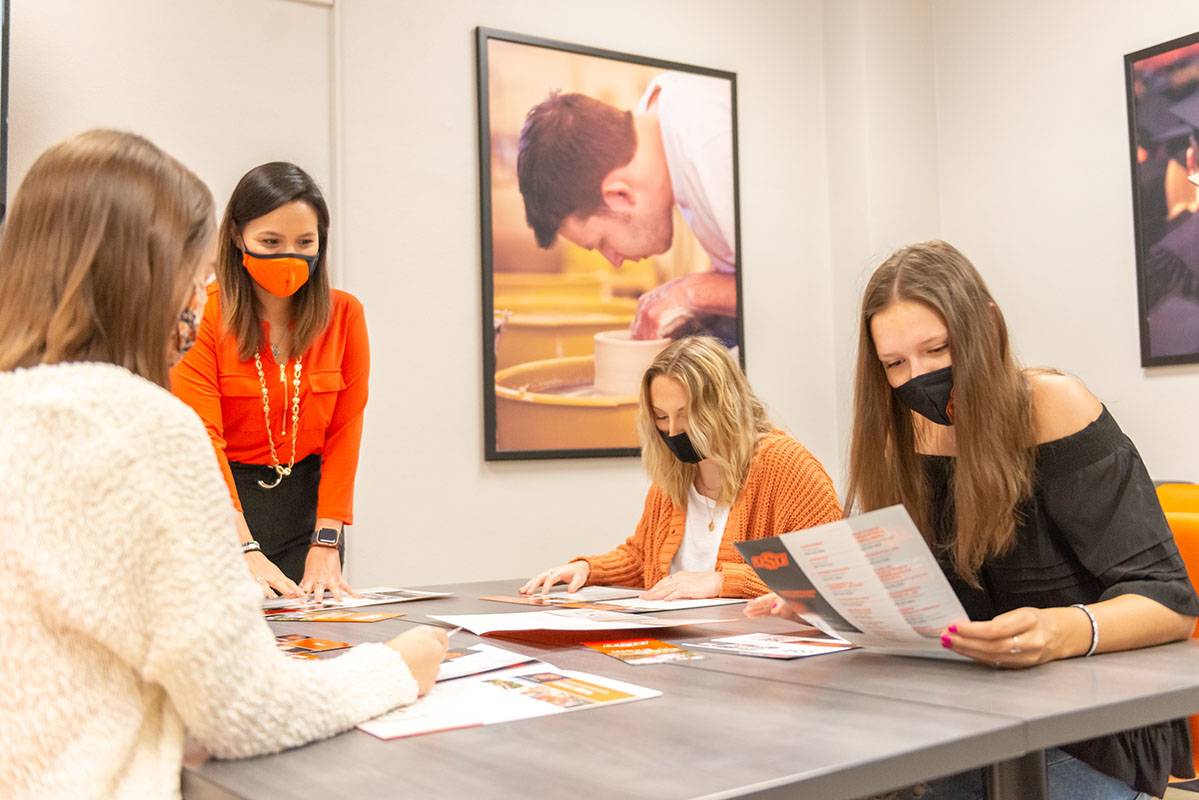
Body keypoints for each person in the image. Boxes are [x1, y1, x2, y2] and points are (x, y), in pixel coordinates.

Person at [0, 130, 447, 799]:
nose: (203, 291)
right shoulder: (142, 426)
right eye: (196, 271)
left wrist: (325, 536)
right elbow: (242, 709)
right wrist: (393, 668)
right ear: (151, 272)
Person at [748, 240, 1199, 799]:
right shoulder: (904, 437)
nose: (919, 376)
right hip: (960, 718)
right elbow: (927, 596)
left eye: (938, 349)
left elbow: (1169, 602)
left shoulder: (1053, 406)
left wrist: (1057, 632)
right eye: (895, 364)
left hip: (1084, 734)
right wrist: (836, 602)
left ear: (986, 324)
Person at [172, 162, 366, 601]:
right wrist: (241, 545)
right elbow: (202, 438)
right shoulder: (204, 314)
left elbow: (345, 432)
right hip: (224, 506)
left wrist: (327, 541)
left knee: (313, 645)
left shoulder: (345, 316)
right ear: (239, 236)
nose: (288, 257)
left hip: (309, 514)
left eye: (304, 243)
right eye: (270, 242)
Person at [521, 336, 841, 599]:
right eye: (661, 417)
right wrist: (590, 570)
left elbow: (830, 574)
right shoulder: (674, 474)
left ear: (724, 407)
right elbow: (642, 556)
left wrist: (720, 582)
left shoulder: (785, 465)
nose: (672, 431)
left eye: (686, 414)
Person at [516, 72, 738, 342]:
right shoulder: (659, 126)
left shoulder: (714, 142)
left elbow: (794, 285)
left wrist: (689, 293)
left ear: (620, 194)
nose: (614, 261)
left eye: (602, 241)